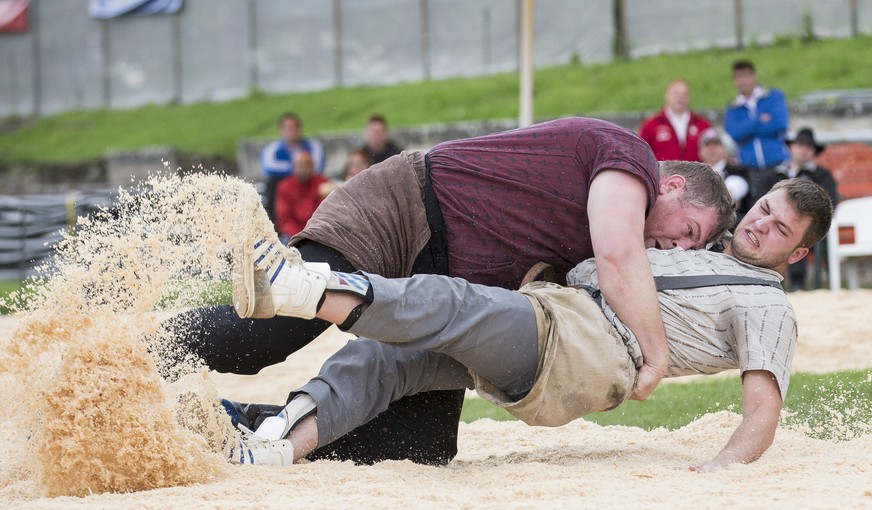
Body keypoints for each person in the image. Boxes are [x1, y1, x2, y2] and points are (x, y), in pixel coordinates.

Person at [170, 117, 735, 466]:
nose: (677, 247)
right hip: (402, 213)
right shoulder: (631, 157)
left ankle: (239, 424)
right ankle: (135, 351)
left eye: (690, 248)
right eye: (688, 231)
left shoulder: (607, 225)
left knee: (418, 446)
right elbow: (619, 257)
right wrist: (655, 355)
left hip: (443, 281)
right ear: (672, 185)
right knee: (264, 337)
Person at [227, 178, 834, 471]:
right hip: (555, 318)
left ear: (799, 253)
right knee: (393, 357)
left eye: (780, 229)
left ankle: (303, 286)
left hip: (585, 347)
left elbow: (763, 409)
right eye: (764, 209)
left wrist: (723, 469)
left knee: (451, 303)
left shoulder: (767, 306)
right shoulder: (701, 249)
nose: (761, 225)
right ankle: (276, 447)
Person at [772, 127, 839, 290]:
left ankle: (798, 284)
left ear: (814, 151)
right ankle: (772, 283)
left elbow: (830, 203)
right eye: (800, 145)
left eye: (809, 147)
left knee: (799, 234)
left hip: (809, 226)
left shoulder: (822, 175)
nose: (804, 150)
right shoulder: (775, 174)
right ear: (791, 147)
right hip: (775, 225)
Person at [723, 60, 789, 207]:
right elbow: (735, 133)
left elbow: (779, 124)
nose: (742, 81)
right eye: (738, 77)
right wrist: (759, 120)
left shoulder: (773, 97)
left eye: (745, 76)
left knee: (783, 204)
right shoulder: (733, 108)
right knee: (757, 207)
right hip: (750, 169)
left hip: (777, 164)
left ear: (754, 76)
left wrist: (747, 129)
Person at [259, 113, 326, 225]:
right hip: (285, 184)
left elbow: (318, 167)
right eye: (287, 127)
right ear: (281, 130)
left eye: (294, 127)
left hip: (309, 183)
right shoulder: (272, 149)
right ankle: (274, 224)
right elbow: (268, 168)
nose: (291, 130)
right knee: (274, 185)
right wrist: (298, 168)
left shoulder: (313, 145)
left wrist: (299, 168)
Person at [639, 79, 712, 162]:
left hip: (695, 170)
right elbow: (641, 153)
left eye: (684, 94)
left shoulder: (702, 124)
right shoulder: (651, 125)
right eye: (675, 93)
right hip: (662, 170)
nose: (680, 97)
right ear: (666, 95)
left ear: (689, 97)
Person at [273, 151, 331, 244]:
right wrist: (301, 235)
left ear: (313, 166)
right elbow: (284, 218)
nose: (303, 169)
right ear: (293, 166)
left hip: (317, 231)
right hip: (293, 233)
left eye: (307, 164)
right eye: (300, 165)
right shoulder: (284, 186)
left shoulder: (322, 183)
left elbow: (327, 214)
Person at [698, 127, 753, 225]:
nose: (711, 149)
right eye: (707, 145)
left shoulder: (738, 170)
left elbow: (733, 190)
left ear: (725, 149)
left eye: (716, 144)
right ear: (700, 151)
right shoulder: (696, 174)